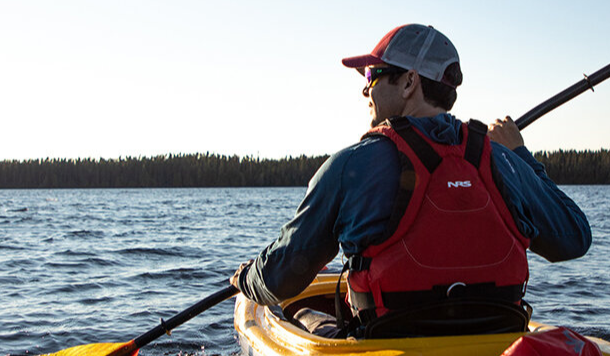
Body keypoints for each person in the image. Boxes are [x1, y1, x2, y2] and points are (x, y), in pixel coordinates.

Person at [231, 24, 591, 337]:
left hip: (387, 348)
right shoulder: (503, 160)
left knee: (297, 311)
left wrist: (247, 279)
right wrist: (520, 155)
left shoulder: (350, 166)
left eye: (372, 76)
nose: (365, 90)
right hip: (497, 342)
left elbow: (282, 279)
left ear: (408, 82)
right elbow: (573, 239)